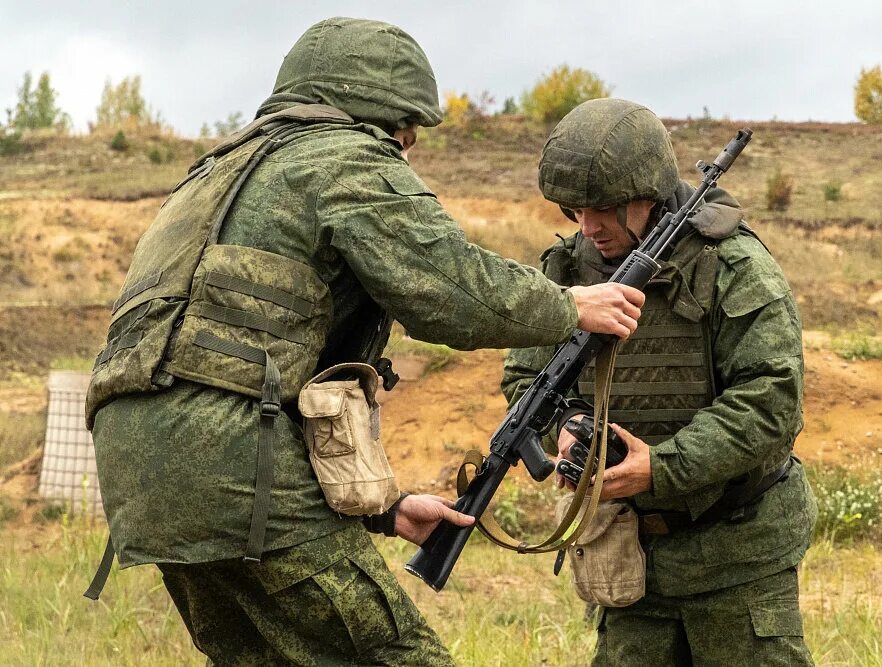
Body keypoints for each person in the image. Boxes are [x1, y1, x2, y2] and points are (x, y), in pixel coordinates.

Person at [84, 19, 644, 666]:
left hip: (138, 468)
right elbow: (452, 289)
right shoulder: (344, 157)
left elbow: (248, 360)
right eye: (406, 133)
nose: (407, 148)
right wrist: (571, 304)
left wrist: (386, 506)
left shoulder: (211, 176)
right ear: (380, 115)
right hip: (234, 462)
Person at [502, 98, 817, 666]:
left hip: (735, 559)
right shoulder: (566, 273)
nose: (588, 226)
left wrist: (663, 468)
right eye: (574, 209)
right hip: (629, 563)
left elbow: (772, 398)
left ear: (646, 194)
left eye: (604, 208)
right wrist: (567, 429)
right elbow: (527, 378)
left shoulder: (732, 266)